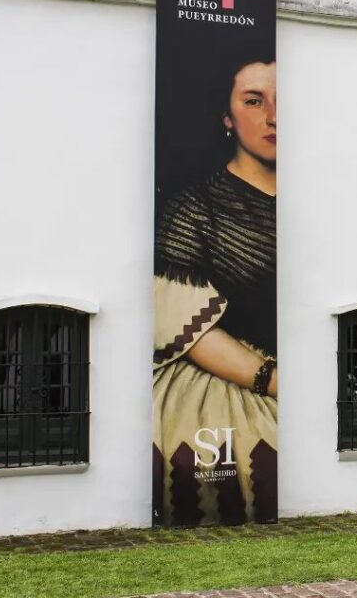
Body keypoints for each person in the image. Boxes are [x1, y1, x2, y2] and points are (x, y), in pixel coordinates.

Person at [152, 60, 278, 526]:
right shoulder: (192, 210)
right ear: (227, 117)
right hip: (227, 387)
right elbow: (182, 322)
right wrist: (274, 380)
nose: (274, 116)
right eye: (254, 101)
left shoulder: (325, 201)